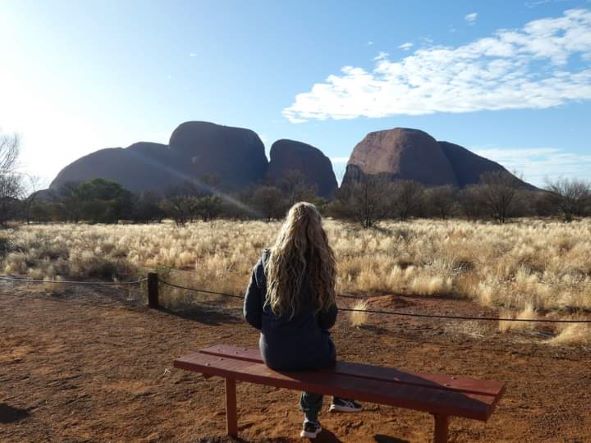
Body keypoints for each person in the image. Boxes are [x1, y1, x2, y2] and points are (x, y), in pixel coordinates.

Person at [243, 202, 362, 439]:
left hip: (272, 354)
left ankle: (318, 415)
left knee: (311, 349)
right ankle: (318, 411)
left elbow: (250, 313)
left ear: (287, 227)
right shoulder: (320, 265)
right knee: (321, 351)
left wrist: (275, 330)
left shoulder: (266, 261)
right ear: (318, 229)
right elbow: (328, 320)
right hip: (311, 353)